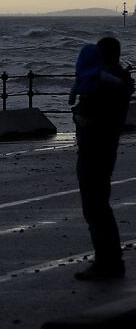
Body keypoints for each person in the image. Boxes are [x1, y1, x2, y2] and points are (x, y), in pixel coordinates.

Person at [70, 37, 134, 280]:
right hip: (104, 146)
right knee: (99, 204)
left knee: (95, 206)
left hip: (95, 147)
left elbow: (94, 115)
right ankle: (110, 260)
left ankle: (107, 262)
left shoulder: (105, 85)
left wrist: (80, 117)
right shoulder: (119, 81)